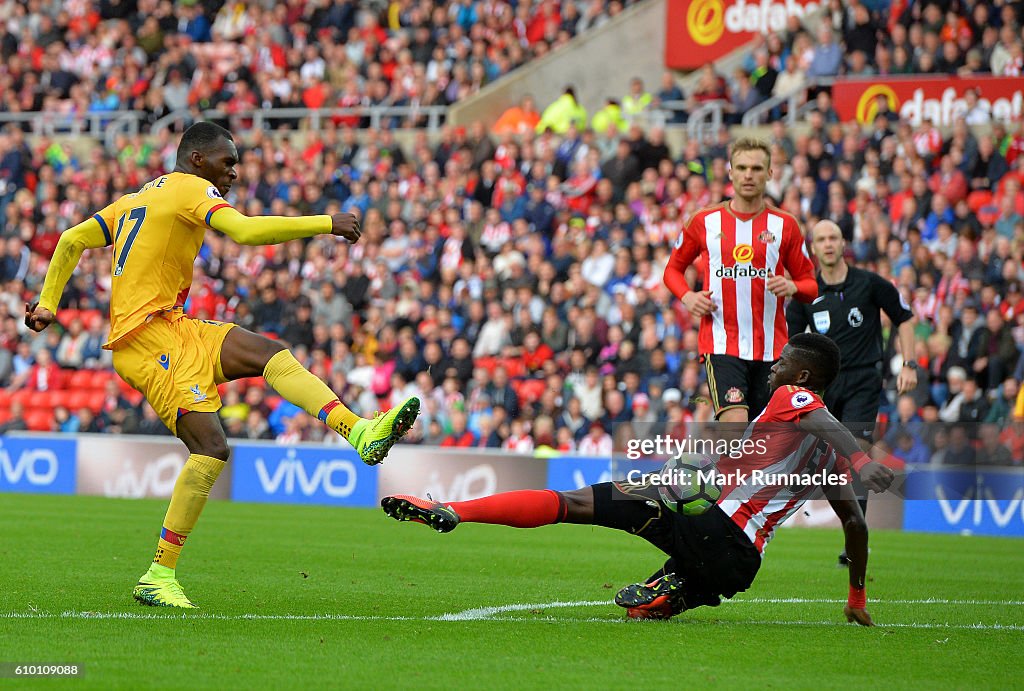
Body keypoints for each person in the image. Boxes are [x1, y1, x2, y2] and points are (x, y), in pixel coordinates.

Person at [25, 122, 421, 609]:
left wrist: (48, 303)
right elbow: (246, 231)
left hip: (173, 326)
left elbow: (69, 240)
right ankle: (158, 573)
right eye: (226, 162)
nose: (233, 172)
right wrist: (326, 223)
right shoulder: (192, 189)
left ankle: (359, 431)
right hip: (146, 340)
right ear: (196, 160)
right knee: (211, 447)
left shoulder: (132, 200)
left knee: (269, 353)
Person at [382, 334, 895, 626]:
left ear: (804, 379)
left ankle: (457, 510)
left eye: (784, 363)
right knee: (646, 608)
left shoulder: (796, 401)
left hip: (710, 520)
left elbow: (823, 420)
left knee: (576, 503)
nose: (775, 368)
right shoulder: (821, 458)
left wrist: (862, 458)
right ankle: (676, 589)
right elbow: (855, 525)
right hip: (739, 564)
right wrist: (855, 598)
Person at [786, 220, 915, 565]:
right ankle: (844, 528)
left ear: (843, 243)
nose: (828, 244)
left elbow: (904, 317)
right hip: (824, 385)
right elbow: (792, 343)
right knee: (831, 458)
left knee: (855, 449)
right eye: (821, 240)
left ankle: (856, 539)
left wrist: (909, 364)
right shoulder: (805, 291)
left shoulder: (870, 283)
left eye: (833, 238)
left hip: (863, 379)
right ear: (813, 248)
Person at [663, 138, 817, 424]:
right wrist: (688, 297)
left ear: (770, 173)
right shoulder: (704, 221)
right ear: (731, 172)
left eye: (757, 168)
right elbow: (672, 270)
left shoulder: (785, 225)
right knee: (735, 427)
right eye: (742, 168)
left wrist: (792, 286)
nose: (749, 175)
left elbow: (811, 286)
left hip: (772, 348)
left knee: (766, 439)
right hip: (721, 344)